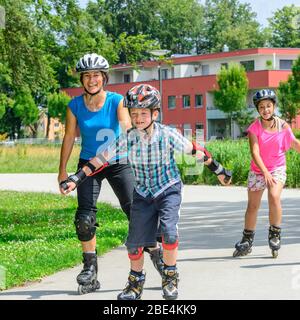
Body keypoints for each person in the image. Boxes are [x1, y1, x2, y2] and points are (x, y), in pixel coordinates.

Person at [61, 84, 232, 300]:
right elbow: (100, 159)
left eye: (143, 113)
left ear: (155, 113)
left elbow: (196, 151)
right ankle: (134, 285)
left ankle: (170, 279)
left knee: (168, 233)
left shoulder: (168, 134)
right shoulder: (127, 138)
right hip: (142, 194)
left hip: (168, 189)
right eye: (134, 114)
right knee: (134, 243)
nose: (138, 118)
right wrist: (77, 178)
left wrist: (219, 170)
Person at [58, 53, 136, 295]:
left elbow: (126, 129)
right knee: (84, 218)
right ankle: (90, 270)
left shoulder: (116, 101)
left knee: (135, 211)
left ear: (104, 77)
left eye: (96, 75)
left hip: (116, 161)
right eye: (87, 75)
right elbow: (70, 137)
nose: (91, 80)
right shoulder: (75, 105)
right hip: (87, 165)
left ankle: (158, 260)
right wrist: (62, 170)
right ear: (82, 79)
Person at [233, 89, 300, 258]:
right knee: (252, 206)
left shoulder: (282, 126)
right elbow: (255, 153)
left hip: (277, 168)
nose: (265, 110)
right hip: (258, 170)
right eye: (262, 107)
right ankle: (247, 239)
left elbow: (294, 143)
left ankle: (275, 233)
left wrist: (270, 174)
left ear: (274, 106)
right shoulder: (254, 128)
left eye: (269, 106)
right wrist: (264, 172)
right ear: (257, 109)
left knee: (274, 196)